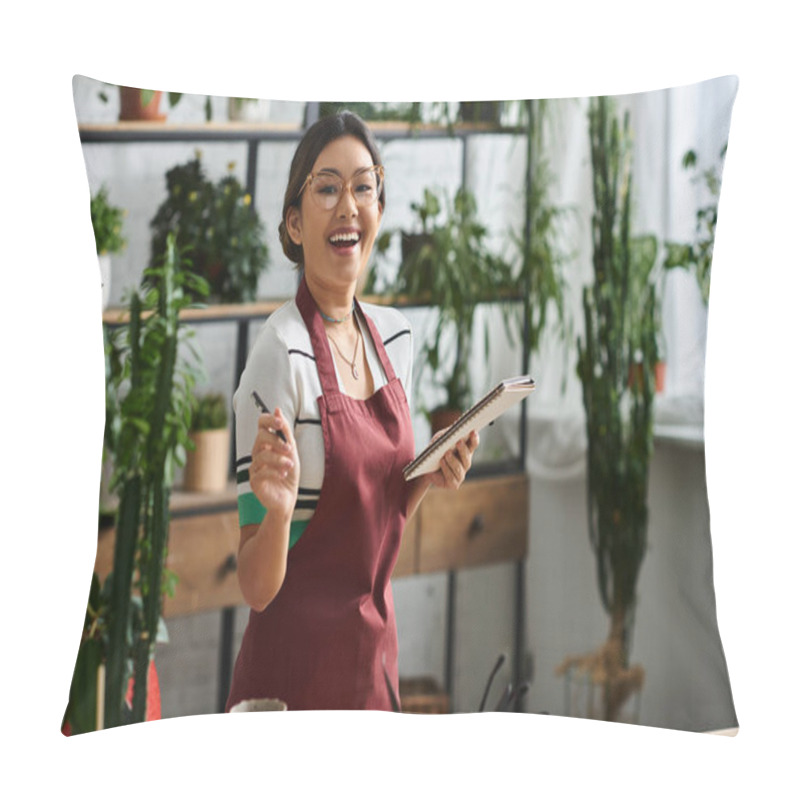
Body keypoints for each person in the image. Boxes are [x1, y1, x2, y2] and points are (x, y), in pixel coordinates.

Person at [225, 111, 479, 712]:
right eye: (327, 187)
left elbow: (378, 513)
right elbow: (256, 589)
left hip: (373, 667)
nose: (348, 206)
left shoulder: (396, 339)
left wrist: (429, 476)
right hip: (292, 686)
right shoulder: (277, 356)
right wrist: (279, 516)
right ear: (294, 222)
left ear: (380, 209)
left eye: (364, 186)